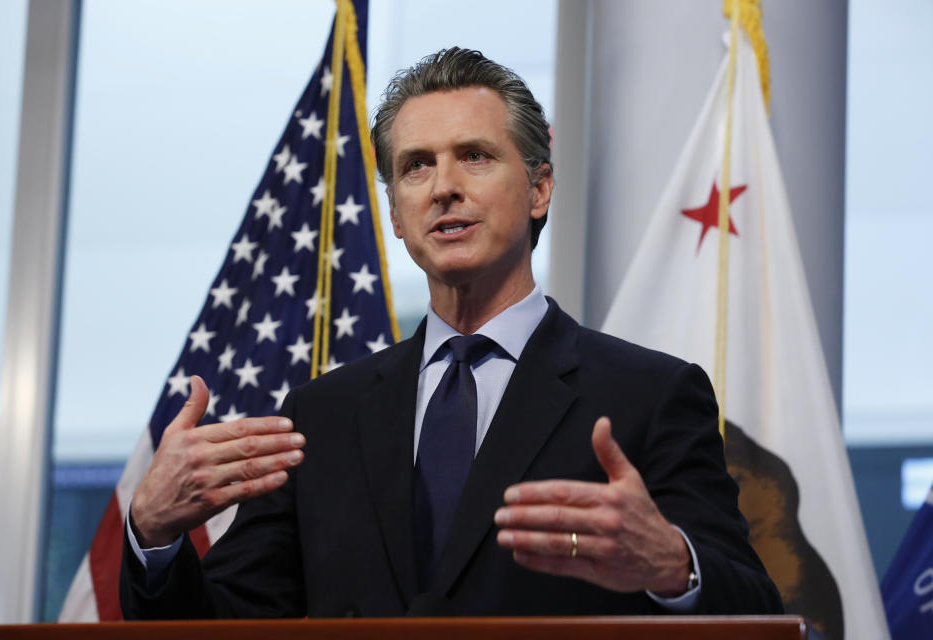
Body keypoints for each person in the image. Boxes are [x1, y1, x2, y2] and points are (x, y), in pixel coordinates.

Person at [120, 48, 782, 618]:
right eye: (416, 166)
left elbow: (755, 607)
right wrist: (153, 536)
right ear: (397, 217)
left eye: (474, 156)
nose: (443, 188)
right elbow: (228, 621)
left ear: (539, 189)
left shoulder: (649, 396)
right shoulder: (320, 415)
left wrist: (674, 564)